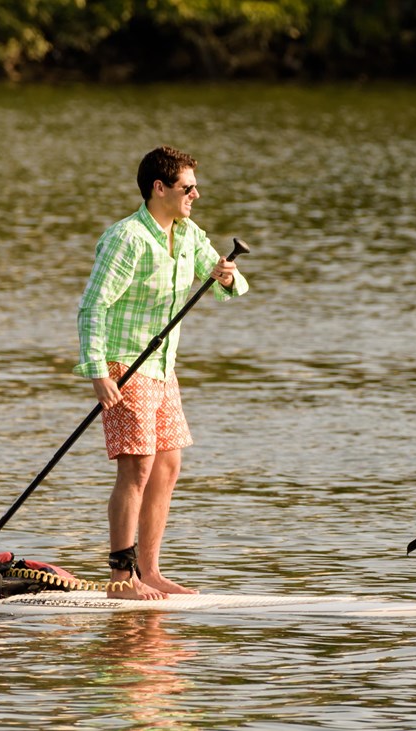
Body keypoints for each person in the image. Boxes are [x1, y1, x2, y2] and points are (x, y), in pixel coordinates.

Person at [74, 145, 248, 600]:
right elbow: (93, 307)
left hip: (162, 367)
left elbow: (225, 281)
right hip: (124, 364)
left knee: (168, 466)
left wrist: (227, 277)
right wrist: (98, 372)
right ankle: (120, 578)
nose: (196, 194)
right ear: (160, 188)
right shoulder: (126, 238)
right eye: (188, 187)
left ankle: (149, 571)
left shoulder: (188, 234)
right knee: (136, 469)